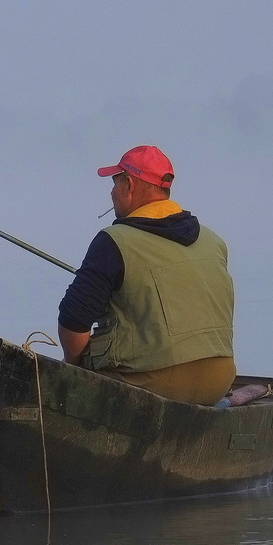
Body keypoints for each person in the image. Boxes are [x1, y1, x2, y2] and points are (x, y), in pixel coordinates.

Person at [56, 146, 235, 405]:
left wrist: (73, 368)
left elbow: (73, 321)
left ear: (128, 184)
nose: (111, 192)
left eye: (114, 182)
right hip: (218, 383)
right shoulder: (214, 241)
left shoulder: (113, 242)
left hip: (153, 387)